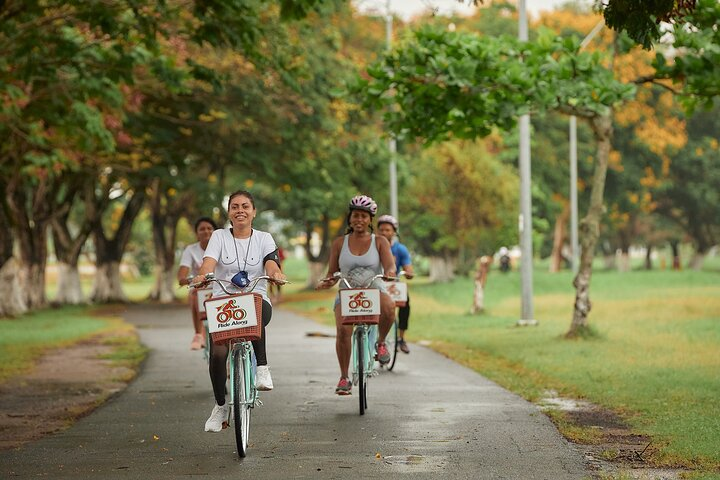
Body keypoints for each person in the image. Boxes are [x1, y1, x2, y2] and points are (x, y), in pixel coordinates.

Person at [191, 190, 287, 432]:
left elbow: (271, 263)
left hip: (257, 298)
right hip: (224, 300)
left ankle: (262, 368)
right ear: (229, 212)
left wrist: (275, 274)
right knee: (217, 354)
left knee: (254, 310)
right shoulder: (219, 236)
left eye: (245, 206)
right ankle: (221, 406)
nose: (240, 210)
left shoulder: (264, 237)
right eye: (235, 206)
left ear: (254, 212)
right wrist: (202, 276)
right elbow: (208, 263)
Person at [316, 195, 397, 395]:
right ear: (349, 219)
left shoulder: (379, 241)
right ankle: (344, 377)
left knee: (389, 308)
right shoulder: (338, 243)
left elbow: (390, 266)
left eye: (363, 216)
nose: (359, 220)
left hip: (374, 288)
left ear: (370, 220)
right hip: (347, 291)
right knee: (343, 331)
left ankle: (381, 343)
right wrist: (327, 282)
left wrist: (390, 274)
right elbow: (332, 272)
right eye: (355, 216)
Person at [177, 217, 218, 350]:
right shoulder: (191, 250)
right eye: (202, 229)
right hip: (201, 288)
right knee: (194, 292)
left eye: (209, 228)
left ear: (215, 231)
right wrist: (189, 280)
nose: (206, 231)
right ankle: (198, 334)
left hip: (220, 287)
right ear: (196, 233)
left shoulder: (222, 246)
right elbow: (182, 275)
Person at [376, 214, 415, 353]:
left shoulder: (400, 249)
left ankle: (401, 338)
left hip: (393, 285)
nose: (384, 233)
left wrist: (409, 273)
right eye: (381, 230)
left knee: (406, 304)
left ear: (394, 232)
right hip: (375, 283)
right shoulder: (372, 246)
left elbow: (407, 268)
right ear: (377, 231)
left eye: (388, 230)